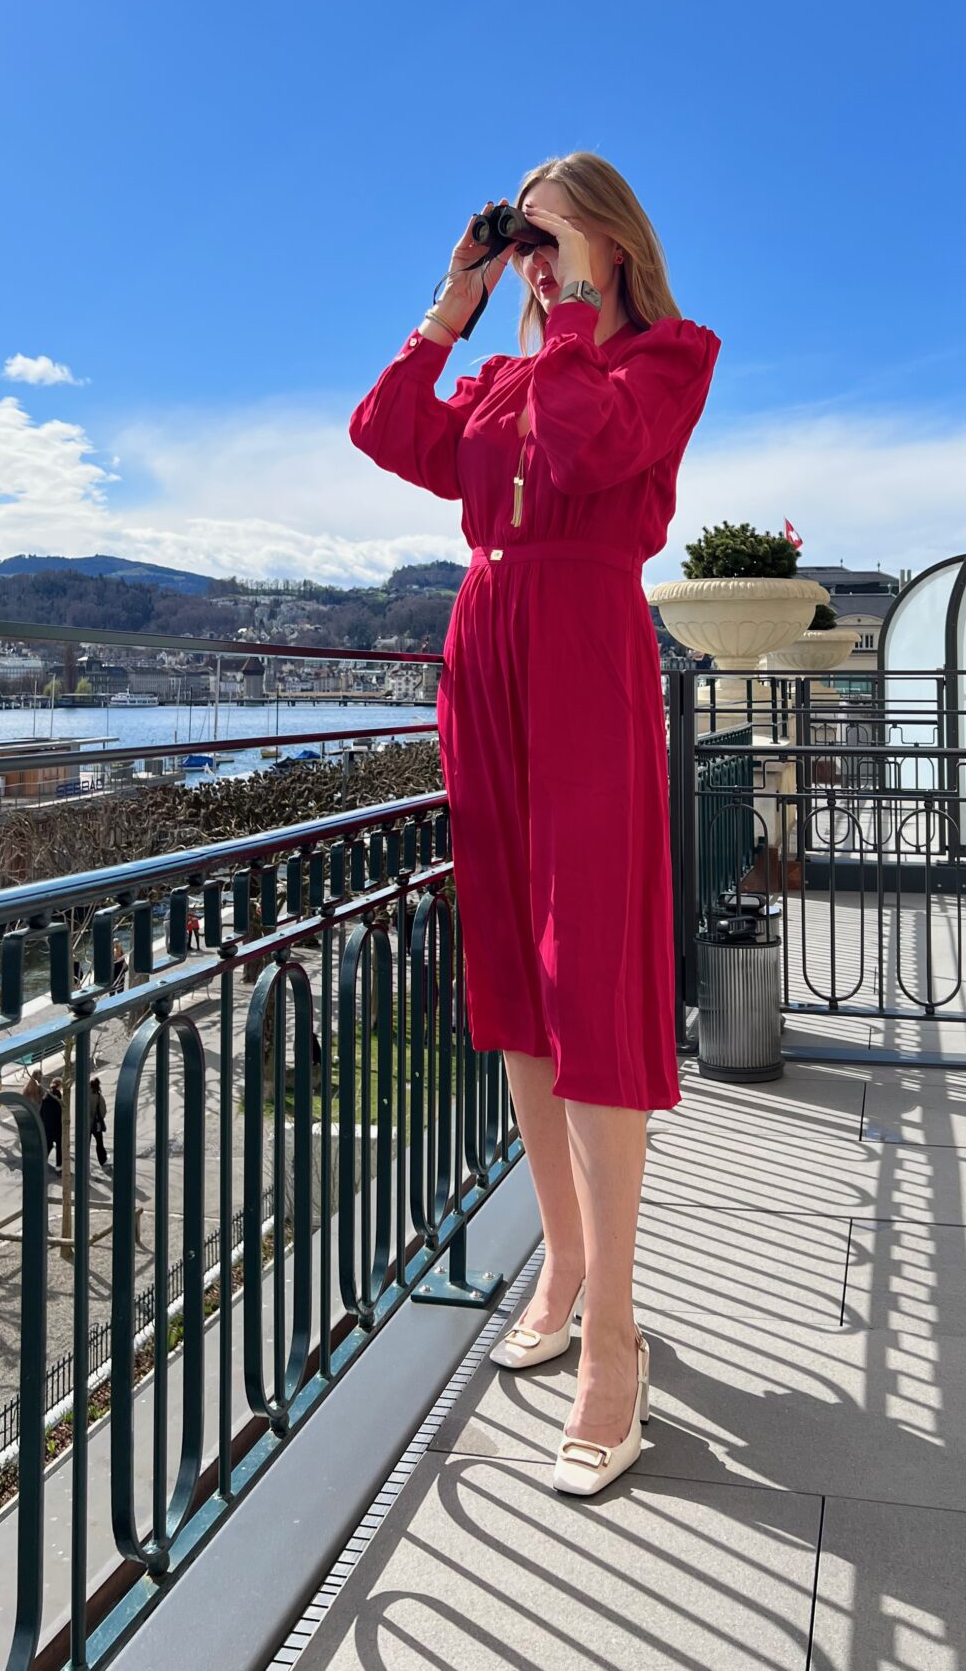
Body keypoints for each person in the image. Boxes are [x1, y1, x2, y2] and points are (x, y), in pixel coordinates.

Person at [348, 154, 720, 1497]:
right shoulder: (507, 369)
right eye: (525, 240)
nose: (536, 260)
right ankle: (559, 1261)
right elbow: (388, 435)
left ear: (614, 243)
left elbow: (592, 454)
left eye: (556, 238)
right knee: (511, 972)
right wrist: (451, 309)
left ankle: (612, 1336)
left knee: (591, 979)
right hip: (486, 644)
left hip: (584, 639)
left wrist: (561, 316)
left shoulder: (667, 357)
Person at [39, 1078, 63, 1170]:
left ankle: (43, 1160)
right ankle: (58, 1165)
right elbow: (60, 1112)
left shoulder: (46, 1095)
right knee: (59, 1145)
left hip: (47, 1125)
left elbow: (41, 1112)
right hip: (56, 1125)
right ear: (59, 1085)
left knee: (49, 1144)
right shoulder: (58, 1096)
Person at [89, 1076, 109, 1169]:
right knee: (99, 1142)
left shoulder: (84, 1094)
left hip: (85, 1124)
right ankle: (102, 1160)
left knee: (85, 1143)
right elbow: (103, 1112)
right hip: (95, 1124)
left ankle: (84, 1161)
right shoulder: (98, 1097)